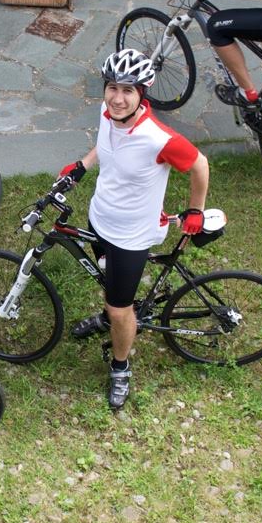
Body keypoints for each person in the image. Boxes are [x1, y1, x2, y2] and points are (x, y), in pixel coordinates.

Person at [58, 50, 210, 411]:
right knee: (106, 280)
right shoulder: (108, 113)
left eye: (128, 90)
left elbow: (200, 165)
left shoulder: (159, 138)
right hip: (101, 218)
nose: (117, 97)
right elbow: (106, 142)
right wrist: (83, 164)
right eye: (112, 87)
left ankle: (121, 365)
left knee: (119, 306)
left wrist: (195, 211)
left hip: (130, 235)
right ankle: (112, 314)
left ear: (143, 93)